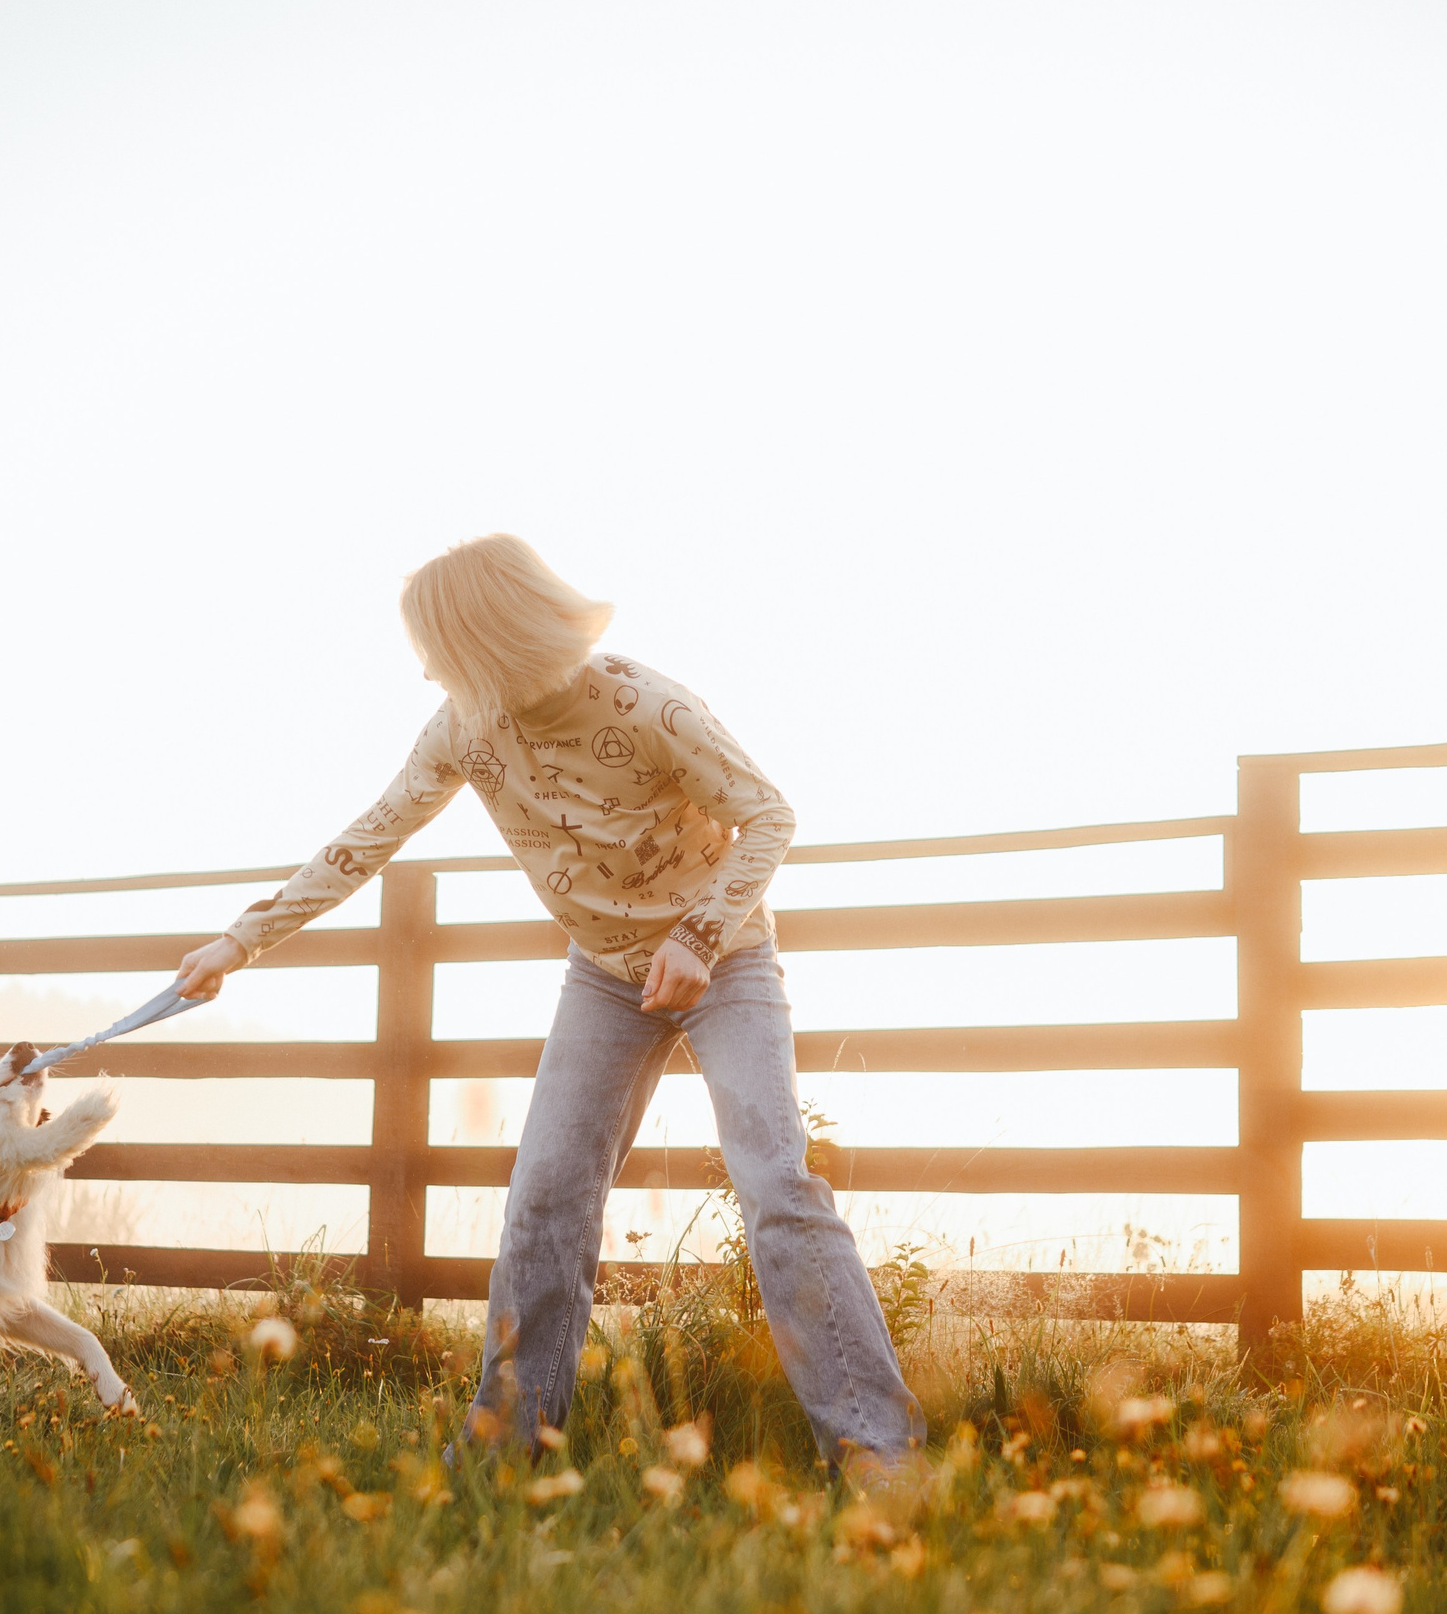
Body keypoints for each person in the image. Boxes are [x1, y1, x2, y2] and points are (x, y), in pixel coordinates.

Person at [175, 534, 922, 1474]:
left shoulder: (647, 703)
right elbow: (367, 839)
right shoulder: (464, 728)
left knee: (776, 1180)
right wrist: (241, 940)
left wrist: (698, 937)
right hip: (604, 980)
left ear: (488, 638)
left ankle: (879, 1454)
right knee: (544, 1201)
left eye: (437, 648)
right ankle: (506, 1450)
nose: (425, 669)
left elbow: (768, 813)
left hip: (723, 961)